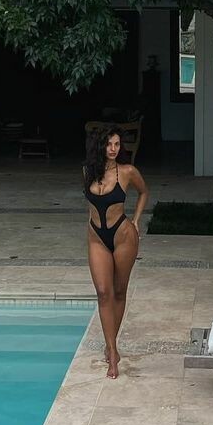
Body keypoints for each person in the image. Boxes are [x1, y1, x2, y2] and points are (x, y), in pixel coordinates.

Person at [83, 124, 148, 378]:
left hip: (123, 237)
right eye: (109, 144)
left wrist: (136, 221)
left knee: (119, 291)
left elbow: (143, 192)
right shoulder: (87, 171)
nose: (113, 149)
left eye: (117, 144)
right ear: (101, 146)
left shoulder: (127, 171)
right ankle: (112, 350)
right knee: (103, 292)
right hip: (96, 237)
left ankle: (112, 347)